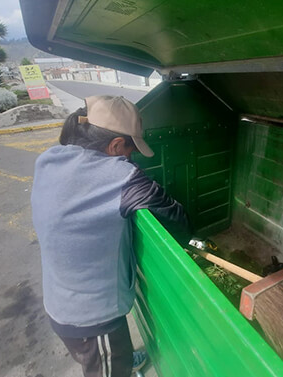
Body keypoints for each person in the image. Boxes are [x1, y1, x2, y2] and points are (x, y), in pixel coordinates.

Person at [31, 96, 189, 377]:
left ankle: (121, 359)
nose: (131, 159)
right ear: (116, 146)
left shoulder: (50, 159)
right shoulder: (121, 177)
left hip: (61, 301)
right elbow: (174, 217)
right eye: (130, 151)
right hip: (92, 320)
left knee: (110, 356)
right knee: (107, 368)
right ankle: (117, 364)